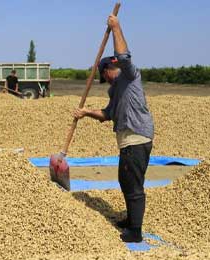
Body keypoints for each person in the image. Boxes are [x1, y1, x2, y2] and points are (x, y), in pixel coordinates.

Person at [72, 14, 154, 243]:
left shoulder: (129, 76)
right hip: (127, 141)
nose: (105, 80)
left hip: (137, 138)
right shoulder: (115, 90)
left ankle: (135, 232)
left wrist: (116, 28)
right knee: (125, 180)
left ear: (109, 68)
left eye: (104, 75)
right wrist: (86, 112)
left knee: (133, 184)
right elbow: (108, 114)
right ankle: (130, 220)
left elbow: (124, 57)